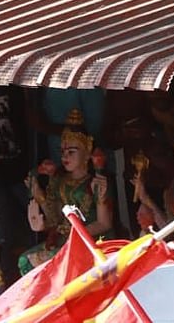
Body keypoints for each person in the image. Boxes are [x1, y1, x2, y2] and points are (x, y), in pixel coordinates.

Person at [20, 109, 112, 272]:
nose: (64, 157)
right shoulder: (60, 181)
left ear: (87, 152)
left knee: (50, 262)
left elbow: (104, 223)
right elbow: (56, 219)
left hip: (89, 241)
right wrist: (40, 200)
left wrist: (75, 234)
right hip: (64, 240)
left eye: (71, 152)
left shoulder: (96, 182)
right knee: (25, 261)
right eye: (62, 152)